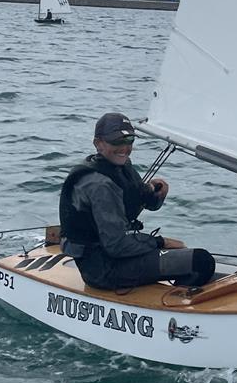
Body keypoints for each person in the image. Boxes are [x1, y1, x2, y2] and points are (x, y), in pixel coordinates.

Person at [59, 112, 215, 291]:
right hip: (104, 270)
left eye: (129, 141)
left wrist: (156, 193)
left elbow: (143, 201)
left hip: (118, 256)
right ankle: (172, 306)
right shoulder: (100, 185)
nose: (124, 148)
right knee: (201, 261)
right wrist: (161, 242)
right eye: (116, 142)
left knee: (187, 256)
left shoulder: (119, 167)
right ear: (98, 143)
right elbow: (116, 245)